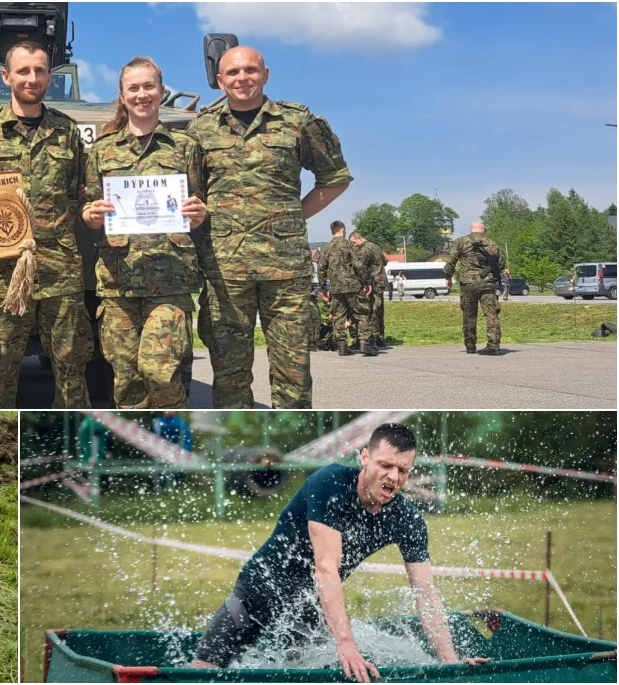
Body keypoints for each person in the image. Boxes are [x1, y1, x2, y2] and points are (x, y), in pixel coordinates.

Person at [189, 424, 491, 681]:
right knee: (203, 672)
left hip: (308, 608)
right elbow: (326, 568)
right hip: (258, 590)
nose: (392, 478)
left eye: (402, 470)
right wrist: (346, 643)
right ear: (365, 458)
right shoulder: (331, 482)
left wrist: (449, 661)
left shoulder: (406, 517)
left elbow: (425, 592)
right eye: (385, 465)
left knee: (316, 676)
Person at [190, 46, 352, 409]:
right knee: (229, 377)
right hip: (225, 270)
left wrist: (295, 216)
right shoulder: (200, 130)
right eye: (232, 73)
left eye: (250, 70)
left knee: (292, 377)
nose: (241, 78)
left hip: (285, 270)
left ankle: (290, 450)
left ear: (265, 74)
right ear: (220, 80)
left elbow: (336, 177)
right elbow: (192, 192)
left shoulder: (298, 121)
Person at [80, 57, 208, 409]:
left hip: (171, 278)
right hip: (118, 281)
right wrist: (91, 216)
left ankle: (175, 435)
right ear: (122, 95)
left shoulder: (185, 147)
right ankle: (138, 450)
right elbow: (93, 206)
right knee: (126, 380)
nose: (142, 94)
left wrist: (198, 214)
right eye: (133, 88)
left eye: (149, 87)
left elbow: (199, 204)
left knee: (159, 371)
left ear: (161, 91)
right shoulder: (103, 150)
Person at [0, 41, 91, 409]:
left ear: (49, 78)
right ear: (6, 76)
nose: (32, 78)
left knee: (72, 367)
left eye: (40, 70)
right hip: (4, 271)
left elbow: (78, 191)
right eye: (23, 71)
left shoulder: (66, 131)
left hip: (61, 269)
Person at [443, 221, 507, 355]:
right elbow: (501, 264)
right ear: (484, 230)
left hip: (468, 284)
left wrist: (448, 278)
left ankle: (470, 344)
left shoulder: (461, 242)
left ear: (471, 230)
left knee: (469, 315)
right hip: (487, 283)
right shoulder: (492, 244)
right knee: (491, 314)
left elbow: (451, 261)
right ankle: (494, 345)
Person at [317, 221, 374, 356]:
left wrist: (323, 287)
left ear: (332, 231)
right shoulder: (350, 245)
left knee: (338, 316)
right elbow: (358, 265)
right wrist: (367, 282)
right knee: (362, 312)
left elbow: (321, 268)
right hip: (353, 285)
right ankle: (364, 343)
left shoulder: (326, 248)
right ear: (342, 229)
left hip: (336, 287)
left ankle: (342, 345)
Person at [350, 231, 387, 348]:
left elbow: (359, 265)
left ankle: (372, 339)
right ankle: (379, 337)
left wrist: (365, 280)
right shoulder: (375, 246)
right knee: (379, 310)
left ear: (360, 238)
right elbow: (384, 261)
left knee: (371, 311)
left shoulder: (365, 249)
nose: (354, 245)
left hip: (372, 282)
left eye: (354, 242)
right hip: (380, 282)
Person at [152, 410, 192, 488]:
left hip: (177, 454)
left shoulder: (180, 423)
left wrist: (185, 451)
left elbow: (187, 439)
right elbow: (153, 438)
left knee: (177, 473)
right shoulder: (157, 422)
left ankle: (178, 489)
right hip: (161, 454)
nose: (168, 411)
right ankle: (161, 491)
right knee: (161, 473)